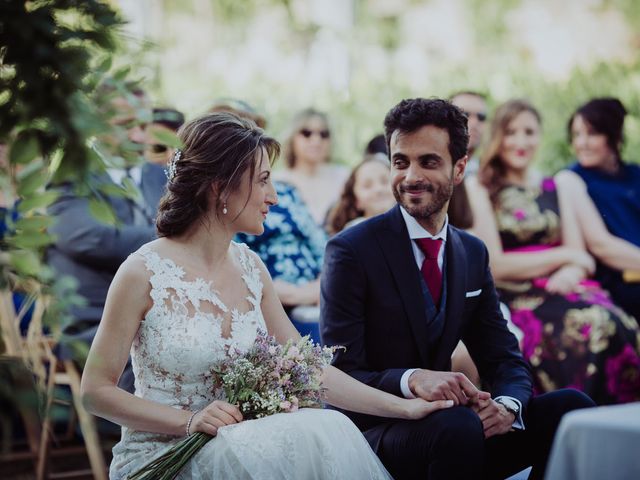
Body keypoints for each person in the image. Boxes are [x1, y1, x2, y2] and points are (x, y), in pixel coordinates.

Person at [80, 112, 454, 480]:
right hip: (164, 457)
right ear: (220, 187)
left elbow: (310, 370)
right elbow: (95, 392)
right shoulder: (143, 271)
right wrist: (189, 421)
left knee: (324, 427)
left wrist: (403, 408)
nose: (273, 197)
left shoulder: (250, 267)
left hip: (241, 447)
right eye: (262, 181)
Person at [321, 98, 595, 480]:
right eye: (400, 162)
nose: (411, 176)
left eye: (428, 161)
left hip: (453, 430)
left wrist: (506, 408)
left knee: (571, 407)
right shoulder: (351, 250)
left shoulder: (471, 252)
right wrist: (413, 378)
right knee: (457, 427)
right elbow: (342, 370)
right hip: (377, 430)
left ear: (459, 168)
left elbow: (504, 359)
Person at [466, 99, 640, 405]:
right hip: (517, 293)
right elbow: (495, 264)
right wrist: (564, 258)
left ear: (540, 137)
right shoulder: (480, 187)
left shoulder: (557, 184)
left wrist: (571, 269)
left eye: (529, 132)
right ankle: (571, 420)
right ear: (497, 137)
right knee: (591, 325)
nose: (521, 141)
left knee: (621, 324)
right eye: (511, 132)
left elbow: (580, 253)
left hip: (565, 286)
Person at [47, 91, 167, 392]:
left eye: (144, 125)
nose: (140, 136)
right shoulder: (70, 178)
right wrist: (176, 234)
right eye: (127, 125)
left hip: (166, 313)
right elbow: (94, 239)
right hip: (97, 322)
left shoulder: (164, 176)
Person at [559, 97, 640, 320]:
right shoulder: (573, 179)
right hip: (619, 282)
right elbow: (602, 245)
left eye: (592, 133)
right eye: (576, 135)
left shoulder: (635, 174)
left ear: (614, 136)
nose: (581, 143)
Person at [236, 180, 327, 343]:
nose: (273, 198)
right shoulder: (238, 199)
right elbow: (237, 265)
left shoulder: (288, 192)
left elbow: (321, 246)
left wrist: (318, 287)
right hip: (268, 297)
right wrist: (283, 293)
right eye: (263, 179)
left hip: (315, 293)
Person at [273, 108, 349, 225]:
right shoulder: (276, 181)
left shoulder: (345, 177)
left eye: (324, 134)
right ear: (292, 138)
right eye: (306, 133)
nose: (316, 140)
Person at [446, 91, 488, 230]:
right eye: (464, 114)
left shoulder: (493, 172)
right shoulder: (429, 170)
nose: (474, 122)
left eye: (481, 117)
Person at [326, 154, 395, 235]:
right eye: (367, 185)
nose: (378, 189)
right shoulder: (353, 232)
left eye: (384, 181)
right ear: (356, 200)